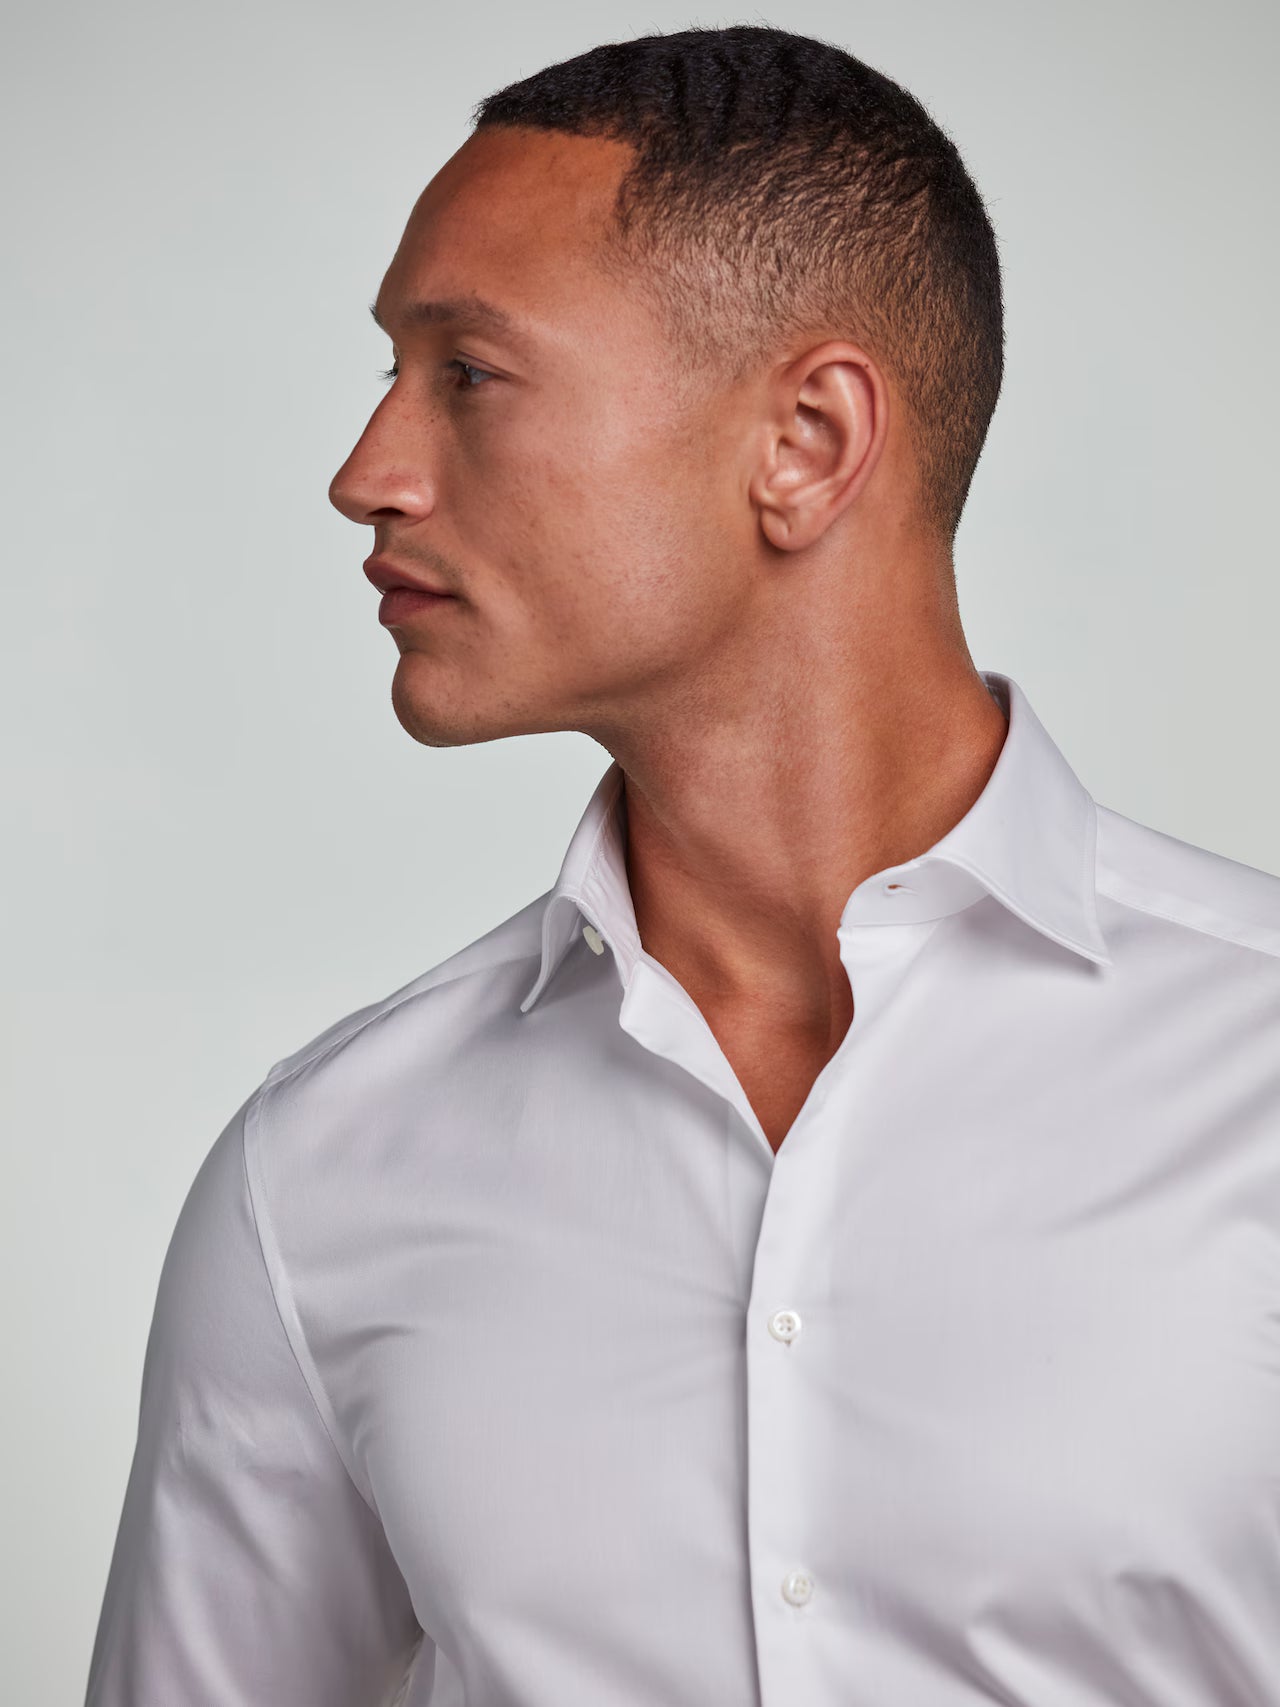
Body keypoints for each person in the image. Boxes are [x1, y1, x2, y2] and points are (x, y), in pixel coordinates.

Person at [84, 23, 1280, 1707]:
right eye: (393, 372)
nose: (368, 475)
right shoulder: (319, 1178)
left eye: (467, 374)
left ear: (806, 441)